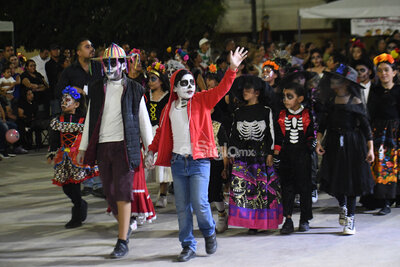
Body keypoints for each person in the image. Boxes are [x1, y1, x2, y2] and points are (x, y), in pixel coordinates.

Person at [146, 47, 248, 262]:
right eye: (185, 83)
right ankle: (187, 245)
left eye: (192, 82)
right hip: (177, 162)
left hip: (199, 161)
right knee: (182, 209)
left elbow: (222, 89)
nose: (190, 86)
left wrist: (232, 68)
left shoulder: (202, 100)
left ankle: (209, 232)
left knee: (201, 204)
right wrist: (151, 151)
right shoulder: (169, 108)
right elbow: (162, 133)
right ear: (175, 86)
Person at [77, 43, 152, 259]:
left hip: (124, 147)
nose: (110, 66)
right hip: (103, 146)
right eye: (106, 62)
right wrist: (83, 147)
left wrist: (151, 149)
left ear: (123, 64)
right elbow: (90, 118)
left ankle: (121, 241)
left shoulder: (135, 89)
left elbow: (143, 120)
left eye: (114, 62)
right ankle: (125, 226)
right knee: (109, 194)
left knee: (122, 192)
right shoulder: (97, 88)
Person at [316, 64, 375, 235]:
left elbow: (366, 128)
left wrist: (370, 149)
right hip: (334, 143)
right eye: (333, 79)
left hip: (353, 144)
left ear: (347, 83)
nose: (334, 82)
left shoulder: (355, 101)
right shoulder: (330, 102)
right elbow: (322, 125)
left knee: (350, 182)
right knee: (333, 180)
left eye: (338, 79)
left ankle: (350, 218)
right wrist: (319, 142)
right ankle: (342, 205)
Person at [228, 75, 283, 235]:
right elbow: (234, 134)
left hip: (260, 156)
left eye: (248, 89)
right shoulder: (239, 112)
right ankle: (250, 222)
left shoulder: (266, 111)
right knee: (245, 190)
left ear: (257, 92)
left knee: (262, 189)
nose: (245, 92)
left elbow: (272, 133)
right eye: (244, 89)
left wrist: (270, 153)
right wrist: (232, 150)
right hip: (243, 156)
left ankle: (263, 221)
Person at [57, 38, 103, 197]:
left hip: (97, 111)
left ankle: (98, 183)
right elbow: (60, 91)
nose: (92, 49)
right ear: (78, 52)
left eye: (92, 46)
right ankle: (87, 183)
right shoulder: (70, 71)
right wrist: (73, 90)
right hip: (79, 115)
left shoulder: (98, 67)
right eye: (87, 46)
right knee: (80, 148)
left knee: (97, 147)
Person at [47, 86, 98, 228]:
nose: (64, 102)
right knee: (66, 186)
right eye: (63, 100)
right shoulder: (58, 120)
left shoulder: (83, 119)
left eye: (67, 100)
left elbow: (89, 137)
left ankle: (77, 215)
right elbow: (55, 138)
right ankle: (80, 204)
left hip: (77, 156)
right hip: (63, 156)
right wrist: (52, 152)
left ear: (76, 104)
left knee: (75, 185)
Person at [274, 82, 315, 234]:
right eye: (284, 96)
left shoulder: (308, 114)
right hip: (286, 156)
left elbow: (312, 133)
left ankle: (305, 218)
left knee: (305, 188)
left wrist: (312, 143)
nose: (285, 100)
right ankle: (288, 219)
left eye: (289, 96)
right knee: (287, 189)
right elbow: (278, 138)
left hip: (303, 156)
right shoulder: (281, 115)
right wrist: (276, 155)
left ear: (300, 98)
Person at [368, 53, 400, 214]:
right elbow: (370, 113)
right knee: (383, 166)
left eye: (386, 70)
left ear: (394, 72)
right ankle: (385, 201)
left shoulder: (398, 90)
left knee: (396, 166)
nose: (383, 74)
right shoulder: (375, 91)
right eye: (380, 71)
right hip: (380, 133)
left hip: (397, 132)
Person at [145, 61, 173, 208]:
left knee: (162, 164)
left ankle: (163, 194)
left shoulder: (169, 97)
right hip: (146, 131)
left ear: (161, 81)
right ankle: (142, 193)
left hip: (161, 132)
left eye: (153, 78)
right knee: (146, 162)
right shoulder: (145, 96)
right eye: (148, 79)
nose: (150, 82)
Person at [45, 44, 63, 116]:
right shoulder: (48, 64)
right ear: (50, 52)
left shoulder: (62, 62)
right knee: (56, 115)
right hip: (54, 93)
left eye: (57, 49)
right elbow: (54, 76)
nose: (56, 51)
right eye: (54, 49)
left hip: (65, 92)